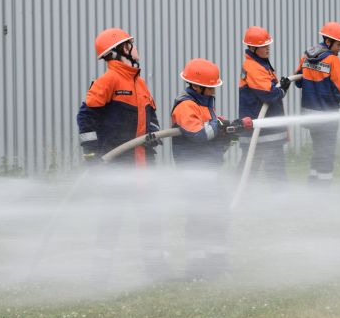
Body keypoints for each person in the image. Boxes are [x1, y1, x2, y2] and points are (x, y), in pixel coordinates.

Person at [170, 58, 251, 279]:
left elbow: (214, 130)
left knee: (219, 214)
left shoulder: (204, 104)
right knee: (199, 218)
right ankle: (195, 268)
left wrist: (232, 129)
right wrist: (220, 126)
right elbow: (199, 134)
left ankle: (217, 263)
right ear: (197, 86)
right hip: (194, 171)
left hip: (209, 168)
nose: (214, 90)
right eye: (211, 86)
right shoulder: (186, 105)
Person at [76, 27, 159, 165]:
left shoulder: (140, 83)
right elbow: (86, 117)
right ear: (124, 49)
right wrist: (91, 153)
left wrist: (153, 134)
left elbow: (152, 117)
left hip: (143, 161)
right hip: (115, 161)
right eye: (131, 44)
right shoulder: (108, 80)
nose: (135, 48)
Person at [294, 21, 340, 185]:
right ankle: (324, 188)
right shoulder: (333, 61)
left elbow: (298, 81)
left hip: (310, 114)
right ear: (328, 41)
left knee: (318, 150)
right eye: (338, 44)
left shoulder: (307, 55)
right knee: (327, 153)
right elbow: (339, 90)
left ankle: (313, 183)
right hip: (327, 116)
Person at [238, 26, 290, 181]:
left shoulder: (260, 64)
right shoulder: (254, 67)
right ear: (252, 48)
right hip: (263, 134)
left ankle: (238, 192)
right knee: (273, 175)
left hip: (265, 133)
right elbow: (269, 94)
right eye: (263, 46)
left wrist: (281, 88)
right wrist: (282, 90)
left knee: (248, 173)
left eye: (268, 45)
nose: (267, 48)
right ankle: (236, 192)